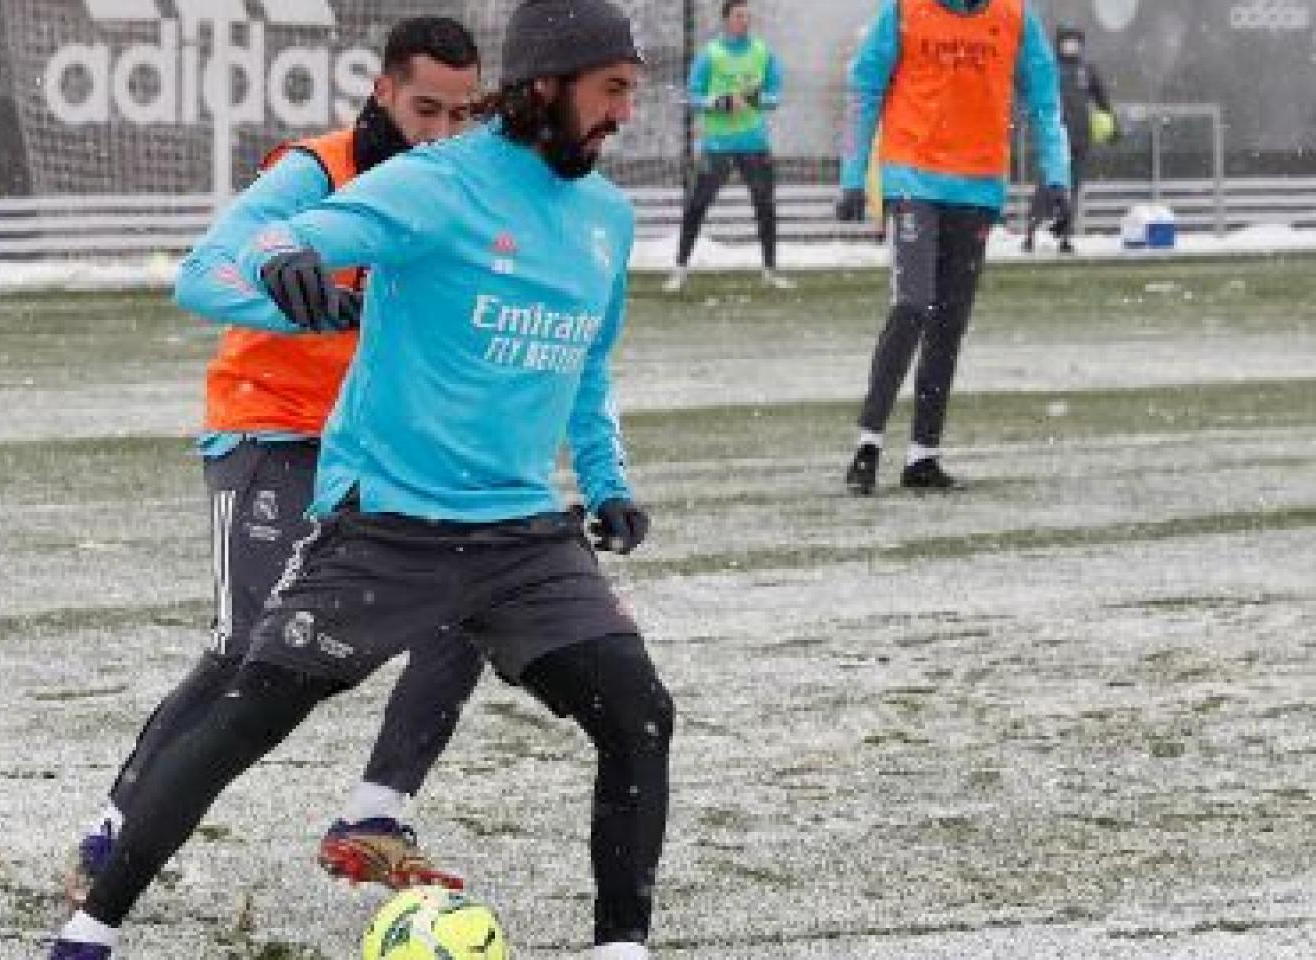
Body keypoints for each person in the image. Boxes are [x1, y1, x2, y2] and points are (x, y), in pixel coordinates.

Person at [47, 1, 670, 957]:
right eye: (613, 89)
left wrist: (608, 479)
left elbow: (587, 367)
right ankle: (92, 925)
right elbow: (270, 239)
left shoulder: (606, 219)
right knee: (249, 709)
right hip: (385, 523)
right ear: (548, 84)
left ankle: (619, 944)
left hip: (521, 536)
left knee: (639, 715)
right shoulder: (437, 182)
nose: (626, 113)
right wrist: (286, 263)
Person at [60, 17, 485, 908]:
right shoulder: (316, 172)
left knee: (469, 607)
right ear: (383, 92)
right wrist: (293, 304)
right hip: (272, 430)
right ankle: (113, 833)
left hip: (379, 447)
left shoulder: (462, 188)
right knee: (247, 649)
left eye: (461, 114)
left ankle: (373, 818)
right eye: (425, 110)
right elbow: (198, 274)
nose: (442, 133)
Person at [836, 0, 1070, 494]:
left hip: (978, 189)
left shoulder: (1014, 16)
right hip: (912, 179)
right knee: (912, 305)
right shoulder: (904, 9)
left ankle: (923, 456)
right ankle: (868, 444)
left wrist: (1056, 175)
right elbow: (865, 87)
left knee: (949, 321)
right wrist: (853, 177)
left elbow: (1046, 98)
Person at [664, 0, 792, 293]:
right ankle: (679, 269)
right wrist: (721, 102)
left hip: (754, 144)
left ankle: (770, 271)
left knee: (765, 206)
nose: (744, 21)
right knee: (696, 206)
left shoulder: (763, 53)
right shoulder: (710, 55)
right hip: (717, 146)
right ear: (726, 20)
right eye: (738, 16)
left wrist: (753, 100)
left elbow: (775, 95)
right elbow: (691, 97)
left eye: (747, 16)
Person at [1022, 22, 1115, 253]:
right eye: (1067, 41)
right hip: (1055, 140)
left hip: (1081, 139)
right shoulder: (1050, 68)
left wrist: (1113, 126)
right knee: (1047, 187)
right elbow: (1034, 95)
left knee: (1072, 189)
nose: (1071, 46)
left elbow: (1102, 100)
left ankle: (1064, 236)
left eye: (1075, 42)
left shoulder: (1087, 70)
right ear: (1059, 44)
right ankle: (1032, 231)